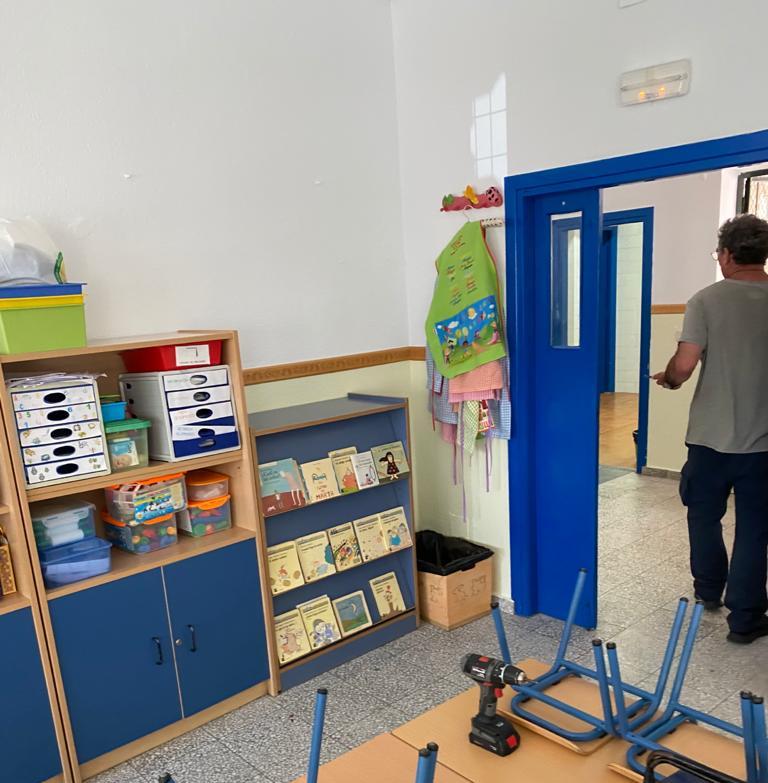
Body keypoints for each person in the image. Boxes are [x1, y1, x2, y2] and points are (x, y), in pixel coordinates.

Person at [653, 213, 768, 644]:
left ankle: (707, 592)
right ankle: (746, 619)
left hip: (708, 440)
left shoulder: (705, 300)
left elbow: (683, 366)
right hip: (762, 446)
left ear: (727, 254)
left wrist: (668, 378)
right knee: (755, 528)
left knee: (704, 517)